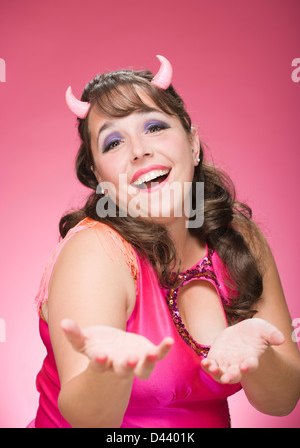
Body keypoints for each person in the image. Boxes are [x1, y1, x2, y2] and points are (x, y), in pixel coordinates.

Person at [29, 55, 300, 428]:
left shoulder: (237, 239)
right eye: (113, 143)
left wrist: (260, 355)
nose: (139, 150)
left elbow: (282, 402)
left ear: (193, 142)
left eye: (154, 127)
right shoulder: (96, 252)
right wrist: (112, 370)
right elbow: (87, 421)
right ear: (100, 178)